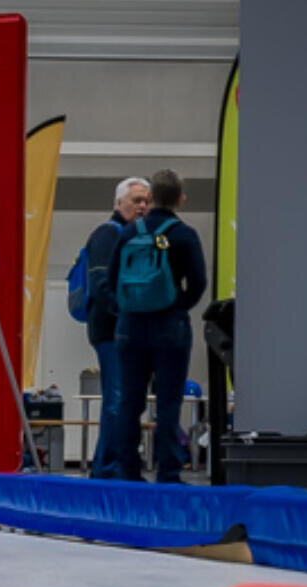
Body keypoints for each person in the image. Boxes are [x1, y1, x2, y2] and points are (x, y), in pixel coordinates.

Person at [104, 169, 206, 484]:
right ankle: (168, 471)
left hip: (130, 326)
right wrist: (176, 306)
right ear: (180, 198)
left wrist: (127, 310)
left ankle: (128, 470)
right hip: (170, 327)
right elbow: (199, 283)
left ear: (150, 200)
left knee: (128, 401)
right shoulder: (184, 234)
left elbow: (111, 280)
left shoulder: (128, 232)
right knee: (168, 402)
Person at [83, 177, 150, 480]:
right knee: (117, 398)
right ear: (119, 203)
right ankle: (109, 468)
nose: (142, 206)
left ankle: (110, 464)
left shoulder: (141, 237)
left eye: (147, 201)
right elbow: (100, 285)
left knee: (124, 399)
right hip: (112, 332)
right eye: (136, 200)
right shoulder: (106, 235)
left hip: (130, 332)